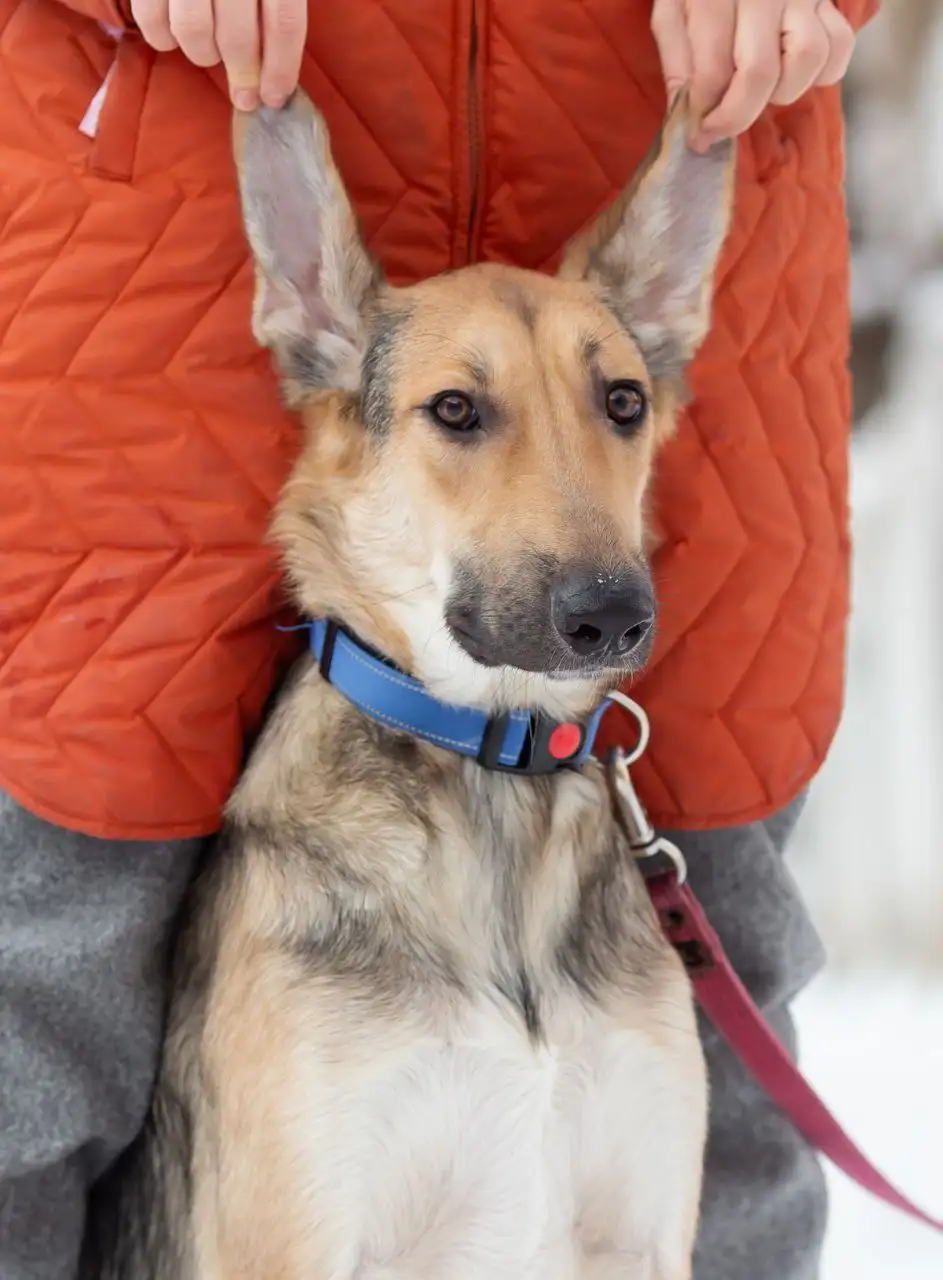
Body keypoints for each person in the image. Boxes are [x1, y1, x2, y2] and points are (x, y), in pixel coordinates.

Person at [0, 1, 878, 1277]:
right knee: (42, 1016)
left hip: (667, 133)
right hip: (152, 295)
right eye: (466, 415)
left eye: (618, 402)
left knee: (737, 1070)